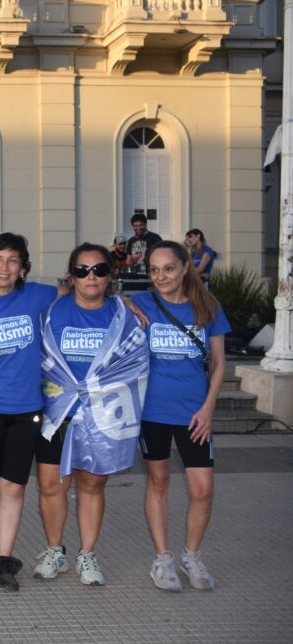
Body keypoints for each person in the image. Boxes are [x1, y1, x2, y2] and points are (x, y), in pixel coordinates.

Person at [33, 242, 149, 587]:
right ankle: (56, 550)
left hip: (105, 413)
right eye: (82, 270)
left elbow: (137, 362)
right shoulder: (51, 311)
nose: (91, 277)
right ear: (72, 276)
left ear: (109, 275)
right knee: (52, 484)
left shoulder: (124, 314)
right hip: (58, 411)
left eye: (99, 269)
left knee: (92, 482)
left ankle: (87, 553)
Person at [0, 233, 59, 591]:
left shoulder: (37, 295)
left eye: (13, 261)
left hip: (27, 409)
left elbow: (85, 293)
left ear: (23, 267)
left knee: (13, 485)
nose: (5, 267)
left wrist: (130, 303)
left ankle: (5, 558)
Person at [134, 240, 229, 592]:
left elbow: (219, 364)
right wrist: (126, 300)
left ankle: (192, 554)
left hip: (194, 413)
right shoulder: (142, 303)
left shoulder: (208, 307)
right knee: (158, 482)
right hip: (152, 411)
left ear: (185, 267)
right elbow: (106, 304)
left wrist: (208, 408)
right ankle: (163, 557)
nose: (161, 276)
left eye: (169, 268)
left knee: (203, 490)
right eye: (154, 270)